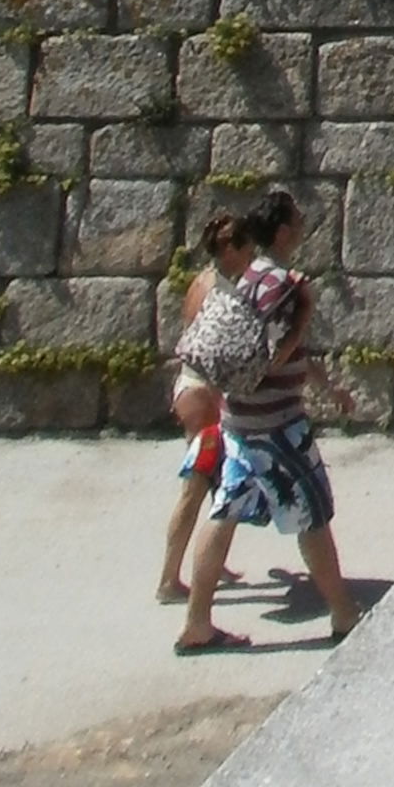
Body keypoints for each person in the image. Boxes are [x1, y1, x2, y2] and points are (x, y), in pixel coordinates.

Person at [177, 187, 360, 653]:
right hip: (278, 427)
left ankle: (197, 623)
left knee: (223, 513)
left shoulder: (250, 274)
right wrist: (306, 313)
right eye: (297, 217)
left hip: (237, 420)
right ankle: (343, 615)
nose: (303, 223)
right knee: (312, 516)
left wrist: (328, 387)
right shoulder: (288, 284)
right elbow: (273, 359)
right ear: (284, 230)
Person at [156, 206, 257, 608]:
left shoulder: (202, 281)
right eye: (247, 243)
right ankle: (168, 580)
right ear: (231, 248)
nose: (253, 250)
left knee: (214, 485)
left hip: (190, 387)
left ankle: (209, 562)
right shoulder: (222, 289)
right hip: (204, 394)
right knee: (195, 488)